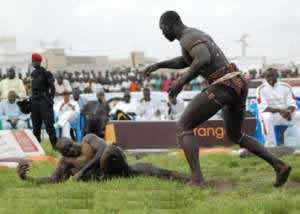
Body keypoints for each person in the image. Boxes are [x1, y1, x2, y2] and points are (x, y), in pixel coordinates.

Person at [143, 11, 291, 187]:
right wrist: (160, 65)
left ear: (169, 25)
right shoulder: (192, 35)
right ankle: (279, 165)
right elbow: (186, 60)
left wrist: (181, 81)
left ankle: (197, 180)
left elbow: (203, 58)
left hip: (224, 84)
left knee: (183, 126)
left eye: (162, 29)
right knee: (235, 135)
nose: (162, 33)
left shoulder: (188, 37)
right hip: (236, 83)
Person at [17, 134, 190, 184]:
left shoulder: (89, 139)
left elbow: (104, 150)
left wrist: (83, 171)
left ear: (73, 140)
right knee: (148, 170)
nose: (71, 151)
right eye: (67, 152)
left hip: (116, 166)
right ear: (63, 154)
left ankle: (189, 178)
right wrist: (27, 178)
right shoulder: (66, 163)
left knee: (109, 152)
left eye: (70, 146)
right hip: (106, 178)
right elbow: (52, 180)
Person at [257, 68, 300, 147]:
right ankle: (271, 146)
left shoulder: (285, 86)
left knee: (298, 115)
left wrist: (289, 111)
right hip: (271, 116)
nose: (269, 78)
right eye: (267, 76)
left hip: (285, 115)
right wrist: (281, 111)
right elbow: (265, 108)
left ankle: (298, 145)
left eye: (272, 76)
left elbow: (292, 103)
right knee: (267, 117)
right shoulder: (261, 89)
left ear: (277, 75)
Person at [30, 53, 57, 148]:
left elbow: (52, 88)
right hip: (34, 102)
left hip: (44, 101)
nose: (32, 62)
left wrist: (50, 99)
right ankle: (37, 148)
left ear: (39, 61)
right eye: (32, 61)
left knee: (49, 125)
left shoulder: (46, 73)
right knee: (35, 126)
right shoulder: (33, 74)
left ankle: (55, 146)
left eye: (34, 61)